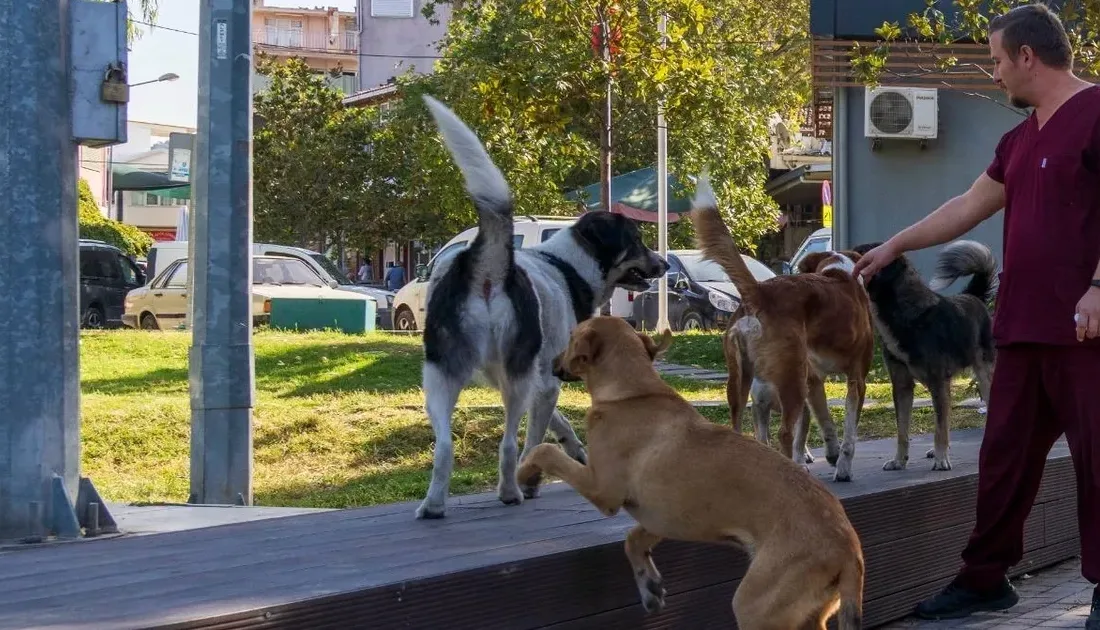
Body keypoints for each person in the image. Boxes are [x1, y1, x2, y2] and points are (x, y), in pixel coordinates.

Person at [852, 5, 1100, 625]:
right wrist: (895, 245)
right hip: (1019, 329)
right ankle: (985, 579)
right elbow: (967, 205)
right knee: (1001, 462)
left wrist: (1099, 282)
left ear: (1026, 56)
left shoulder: (1098, 116)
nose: (993, 74)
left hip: (1087, 332)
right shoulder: (1017, 140)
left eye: (994, 59)